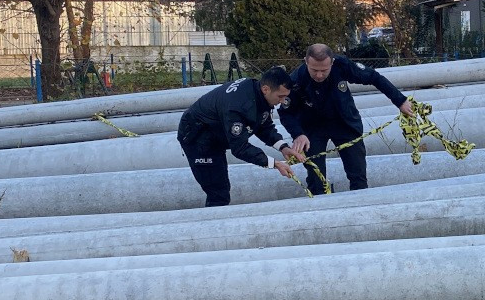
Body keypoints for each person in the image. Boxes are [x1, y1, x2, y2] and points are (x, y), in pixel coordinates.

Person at [279, 43, 415, 194]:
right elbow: (285, 112)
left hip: (344, 122)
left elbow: (374, 77)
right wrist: (298, 134)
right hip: (312, 127)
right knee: (315, 177)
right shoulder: (295, 80)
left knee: (357, 174)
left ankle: (359, 206)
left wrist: (400, 101)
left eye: (324, 70)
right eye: (314, 70)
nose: (319, 75)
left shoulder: (342, 66)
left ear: (332, 62)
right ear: (306, 62)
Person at [177, 66, 300, 207]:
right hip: (198, 137)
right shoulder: (239, 106)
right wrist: (274, 163)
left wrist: (283, 147)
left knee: (221, 187)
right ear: (266, 89)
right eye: (280, 96)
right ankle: (215, 225)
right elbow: (239, 147)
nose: (283, 101)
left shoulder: (257, 92)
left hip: (215, 134)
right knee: (218, 191)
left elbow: (263, 125)